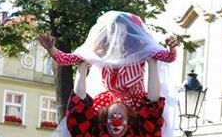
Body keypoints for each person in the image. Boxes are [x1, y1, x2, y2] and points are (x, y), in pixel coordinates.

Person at [38, 11, 178, 113]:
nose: (116, 37)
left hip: (135, 109)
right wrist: (51, 49)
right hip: (108, 107)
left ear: (129, 35)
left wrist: (172, 47)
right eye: (113, 32)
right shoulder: (99, 54)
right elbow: (66, 59)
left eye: (121, 33)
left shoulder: (140, 52)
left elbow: (169, 58)